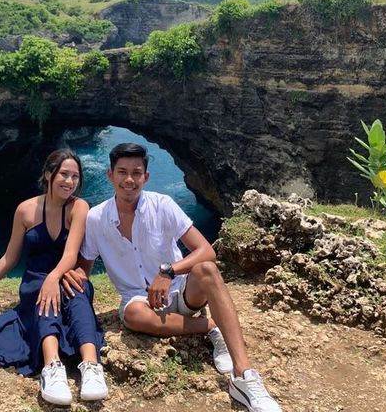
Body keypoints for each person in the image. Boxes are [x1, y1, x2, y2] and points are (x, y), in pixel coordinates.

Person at [62, 143, 281, 412]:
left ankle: (244, 375)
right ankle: (212, 325)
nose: (129, 180)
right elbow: (84, 265)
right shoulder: (96, 219)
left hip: (181, 290)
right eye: (122, 172)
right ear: (110, 175)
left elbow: (206, 251)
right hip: (138, 300)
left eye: (136, 172)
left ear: (146, 177)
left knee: (208, 270)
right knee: (133, 316)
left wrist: (168, 271)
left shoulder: (162, 205)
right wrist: (70, 275)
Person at [0, 149, 108, 406]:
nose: (70, 181)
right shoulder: (26, 210)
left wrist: (55, 278)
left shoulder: (79, 207)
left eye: (75, 176)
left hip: (65, 275)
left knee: (78, 296)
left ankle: (91, 366)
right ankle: (52, 368)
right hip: (35, 280)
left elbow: (71, 253)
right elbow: (9, 259)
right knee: (45, 298)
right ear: (48, 174)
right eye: (64, 174)